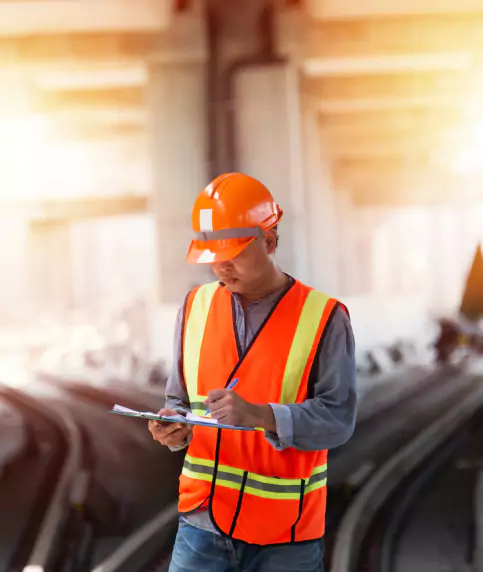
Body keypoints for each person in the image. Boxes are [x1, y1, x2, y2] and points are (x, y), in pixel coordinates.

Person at [149, 173, 357, 572]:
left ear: (270, 240)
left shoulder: (324, 318)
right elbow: (178, 401)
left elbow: (338, 421)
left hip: (286, 536)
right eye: (213, 257)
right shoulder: (195, 307)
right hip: (201, 524)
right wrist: (172, 425)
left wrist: (262, 415)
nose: (221, 269)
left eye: (234, 255)